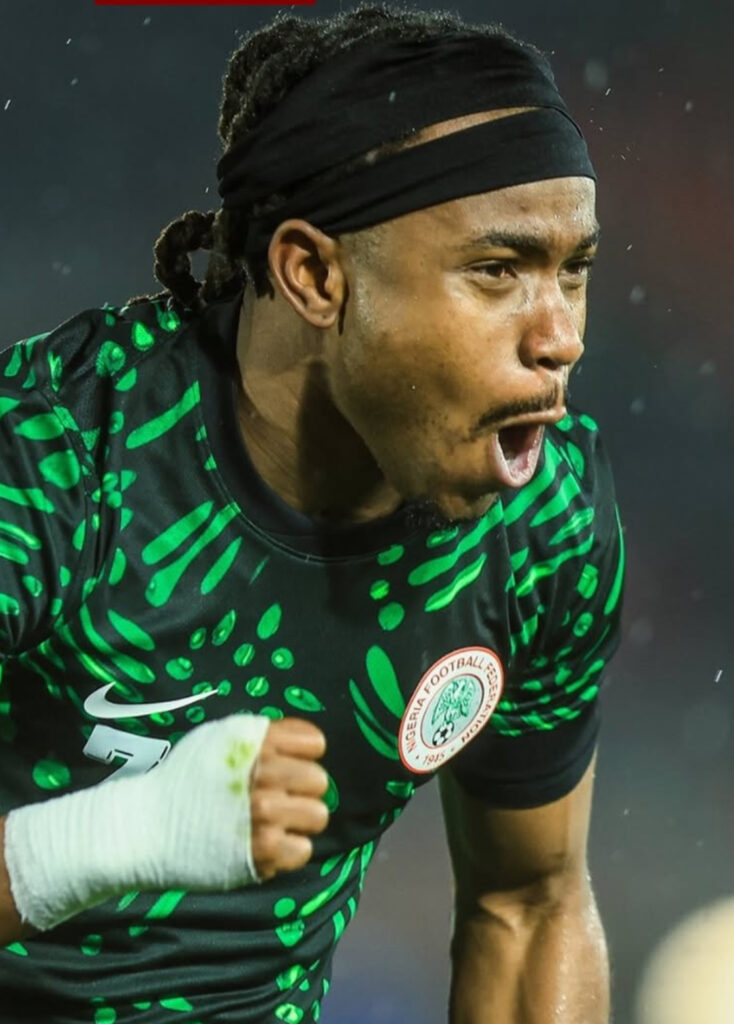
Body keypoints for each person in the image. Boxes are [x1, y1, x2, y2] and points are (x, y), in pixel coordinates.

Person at [0, 3, 625, 1022]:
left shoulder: (541, 524)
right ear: (315, 274)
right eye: (497, 271)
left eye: (573, 272)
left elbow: (528, 904)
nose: (559, 337)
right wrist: (106, 840)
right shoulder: (52, 459)